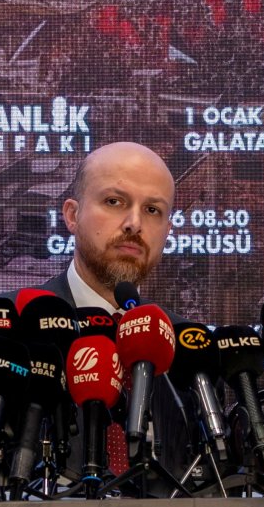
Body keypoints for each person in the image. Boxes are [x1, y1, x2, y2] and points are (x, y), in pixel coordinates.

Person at [40, 139, 201, 483]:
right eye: (114, 202)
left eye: (153, 210)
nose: (134, 223)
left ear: (167, 231)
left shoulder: (189, 347)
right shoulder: (11, 325)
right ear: (72, 215)